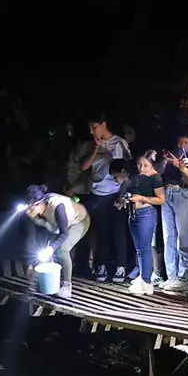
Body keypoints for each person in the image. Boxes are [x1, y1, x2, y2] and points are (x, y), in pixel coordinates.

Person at [81, 114, 131, 283]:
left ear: (103, 124)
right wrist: (96, 148)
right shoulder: (91, 145)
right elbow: (84, 167)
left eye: (94, 127)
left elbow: (127, 170)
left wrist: (122, 194)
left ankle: (121, 266)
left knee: (118, 230)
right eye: (89, 128)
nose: (91, 131)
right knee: (101, 231)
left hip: (115, 192)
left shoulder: (118, 143)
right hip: (97, 193)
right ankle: (100, 265)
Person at [23, 184, 91, 299]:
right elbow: (41, 234)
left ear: (39, 204)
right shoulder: (36, 210)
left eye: (31, 207)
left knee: (61, 249)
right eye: (27, 207)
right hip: (59, 225)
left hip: (79, 221)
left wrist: (51, 248)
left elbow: (64, 234)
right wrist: (32, 264)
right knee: (45, 248)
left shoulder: (58, 206)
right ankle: (39, 280)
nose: (28, 210)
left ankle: (67, 286)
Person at [125, 150, 167, 295]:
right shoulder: (137, 177)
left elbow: (161, 199)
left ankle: (146, 281)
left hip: (146, 214)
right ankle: (142, 276)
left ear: (152, 166)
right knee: (139, 249)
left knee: (145, 248)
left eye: (145, 165)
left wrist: (143, 198)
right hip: (133, 213)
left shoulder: (156, 178)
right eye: (139, 165)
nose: (142, 168)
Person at [160, 136, 188, 291]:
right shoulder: (171, 156)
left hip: (183, 193)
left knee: (183, 235)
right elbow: (159, 172)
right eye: (180, 142)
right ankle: (171, 275)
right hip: (167, 192)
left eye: (186, 143)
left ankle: (183, 276)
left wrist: (182, 167)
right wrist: (165, 161)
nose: (182, 146)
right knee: (168, 236)